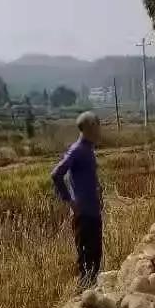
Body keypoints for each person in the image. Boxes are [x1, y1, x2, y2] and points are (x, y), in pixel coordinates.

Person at [52, 111, 103, 285]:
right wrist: (70, 200)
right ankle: (84, 294)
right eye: (97, 126)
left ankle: (92, 293)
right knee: (87, 260)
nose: (100, 130)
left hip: (93, 211)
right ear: (90, 127)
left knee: (95, 257)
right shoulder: (77, 150)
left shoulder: (88, 149)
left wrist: (98, 190)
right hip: (84, 213)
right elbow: (56, 174)